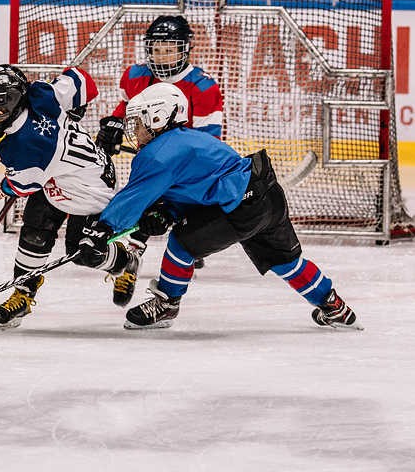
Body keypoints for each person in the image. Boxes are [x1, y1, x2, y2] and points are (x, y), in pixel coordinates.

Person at [79, 83, 362, 331]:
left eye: (139, 122)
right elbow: (199, 189)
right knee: (285, 262)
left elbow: (133, 197)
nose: (136, 131)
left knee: (181, 243)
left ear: (158, 117)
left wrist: (102, 229)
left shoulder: (158, 153)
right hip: (266, 194)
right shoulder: (191, 139)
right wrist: (167, 212)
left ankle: (166, 304)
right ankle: (335, 307)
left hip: (241, 206)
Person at [0, 64, 143, 331]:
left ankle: (125, 262)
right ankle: (22, 293)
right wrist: (69, 104)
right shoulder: (41, 93)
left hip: (89, 190)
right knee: (34, 232)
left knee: (83, 253)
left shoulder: (27, 147)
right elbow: (82, 80)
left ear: (4, 109)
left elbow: (20, 186)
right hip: (63, 177)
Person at [95, 14, 224, 269]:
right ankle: (132, 256)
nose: (162, 56)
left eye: (169, 50)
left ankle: (178, 238)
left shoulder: (202, 87)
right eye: (156, 50)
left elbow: (206, 142)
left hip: (187, 168)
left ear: (185, 49)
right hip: (151, 162)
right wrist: (113, 125)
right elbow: (124, 110)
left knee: (161, 203)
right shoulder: (135, 76)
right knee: (146, 195)